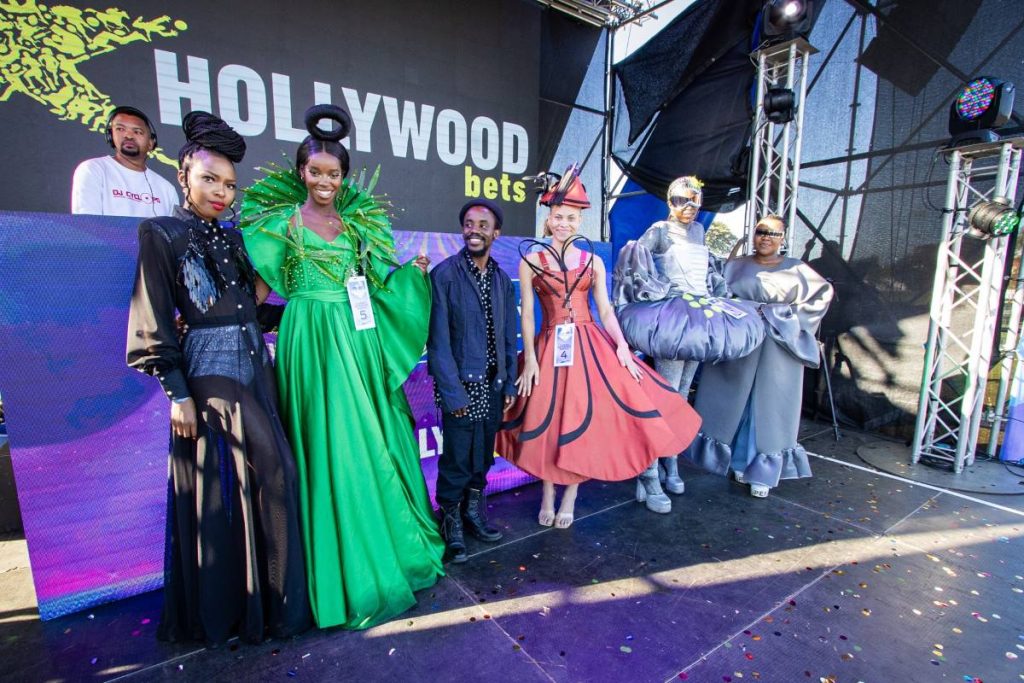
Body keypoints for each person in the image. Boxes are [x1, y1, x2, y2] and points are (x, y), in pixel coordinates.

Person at [240, 104, 444, 630]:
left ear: (343, 177)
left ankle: (375, 550)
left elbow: (377, 284)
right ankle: (327, 570)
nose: (325, 182)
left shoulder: (354, 226)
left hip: (353, 342)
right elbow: (259, 290)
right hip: (306, 338)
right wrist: (215, 319)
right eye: (316, 172)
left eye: (334, 174)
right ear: (300, 172)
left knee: (358, 440)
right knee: (318, 442)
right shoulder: (281, 223)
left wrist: (412, 276)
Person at [126, 111, 311, 646]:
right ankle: (232, 612)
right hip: (209, 375)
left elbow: (247, 309)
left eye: (230, 184)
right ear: (185, 174)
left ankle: (262, 611)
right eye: (210, 179)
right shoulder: (159, 232)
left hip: (255, 367)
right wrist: (177, 394)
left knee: (259, 485)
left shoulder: (233, 237)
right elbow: (153, 319)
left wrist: (310, 313)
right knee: (259, 479)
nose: (221, 192)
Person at [498, 165, 701, 528]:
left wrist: (622, 347)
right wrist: (529, 359)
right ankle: (547, 494)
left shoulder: (592, 261)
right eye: (558, 216)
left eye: (571, 218)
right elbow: (526, 314)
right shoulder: (531, 260)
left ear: (579, 221)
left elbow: (605, 310)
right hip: (548, 347)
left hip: (589, 346)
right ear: (548, 219)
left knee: (583, 422)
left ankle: (571, 498)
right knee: (548, 423)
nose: (564, 223)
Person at [684, 215, 833, 497]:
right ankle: (737, 463)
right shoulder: (735, 265)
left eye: (773, 233)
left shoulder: (798, 269)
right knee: (733, 401)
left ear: (783, 238)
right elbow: (716, 296)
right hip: (742, 342)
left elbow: (821, 296)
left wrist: (784, 318)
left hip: (778, 347)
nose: (766, 237)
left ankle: (762, 472)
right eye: (761, 231)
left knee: (769, 408)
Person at [427, 198, 518, 563]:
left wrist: (508, 382)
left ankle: (474, 513)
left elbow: (508, 335)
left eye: (483, 225)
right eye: (468, 223)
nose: (474, 230)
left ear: (496, 233)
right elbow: (437, 342)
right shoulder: (445, 274)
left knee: (482, 456)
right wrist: (452, 392)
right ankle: (450, 525)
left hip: (493, 387)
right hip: (461, 388)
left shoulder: (500, 278)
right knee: (455, 461)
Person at [72, 105, 178, 216]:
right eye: (120, 129)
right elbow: (86, 225)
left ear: (151, 143)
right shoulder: (93, 169)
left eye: (137, 132)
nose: (128, 135)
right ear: (110, 136)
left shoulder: (167, 189)